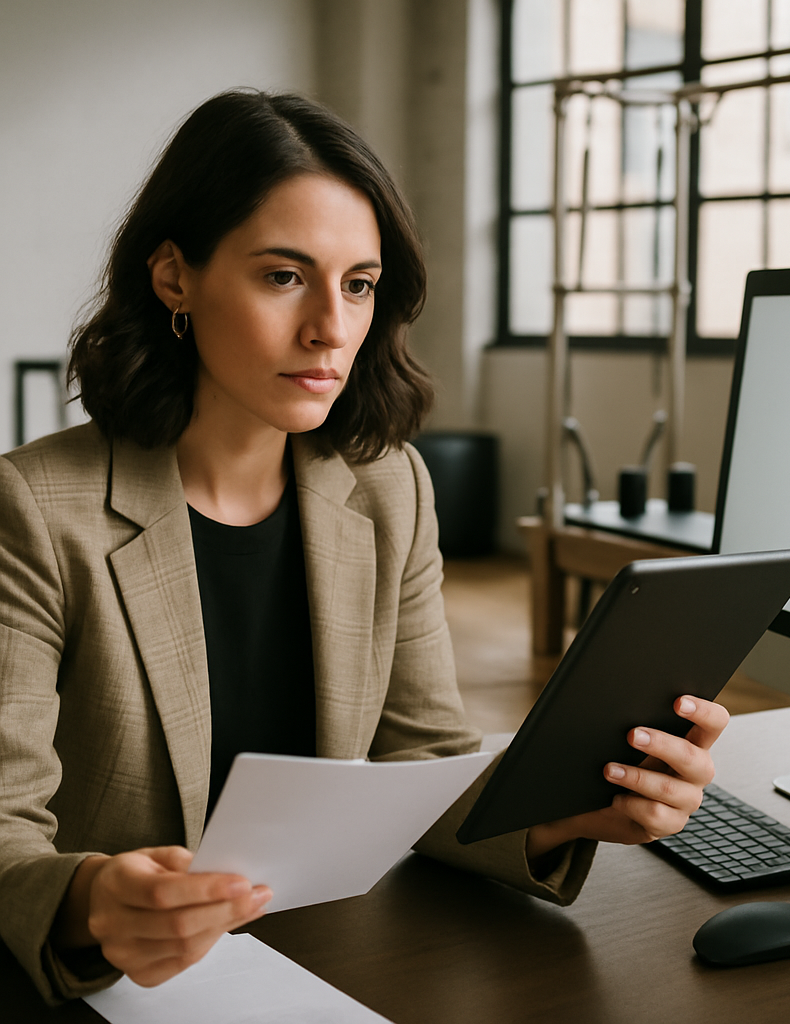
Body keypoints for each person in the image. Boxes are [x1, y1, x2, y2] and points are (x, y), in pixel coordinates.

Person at [0, 90, 729, 1005]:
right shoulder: (32, 508)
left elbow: (420, 765)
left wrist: (573, 813)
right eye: (282, 276)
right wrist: (94, 900)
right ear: (174, 276)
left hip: (326, 966)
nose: (332, 329)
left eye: (358, 284)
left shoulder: (390, 488)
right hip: (115, 993)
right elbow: (3, 836)